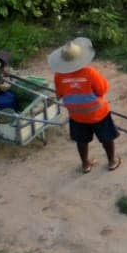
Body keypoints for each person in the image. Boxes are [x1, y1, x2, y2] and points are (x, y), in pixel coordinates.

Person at [48, 37, 119, 173]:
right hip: (98, 114)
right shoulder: (90, 72)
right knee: (106, 138)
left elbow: (59, 94)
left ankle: (85, 165)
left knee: (82, 141)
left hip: (77, 116)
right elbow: (102, 90)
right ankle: (111, 162)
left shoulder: (59, 76)